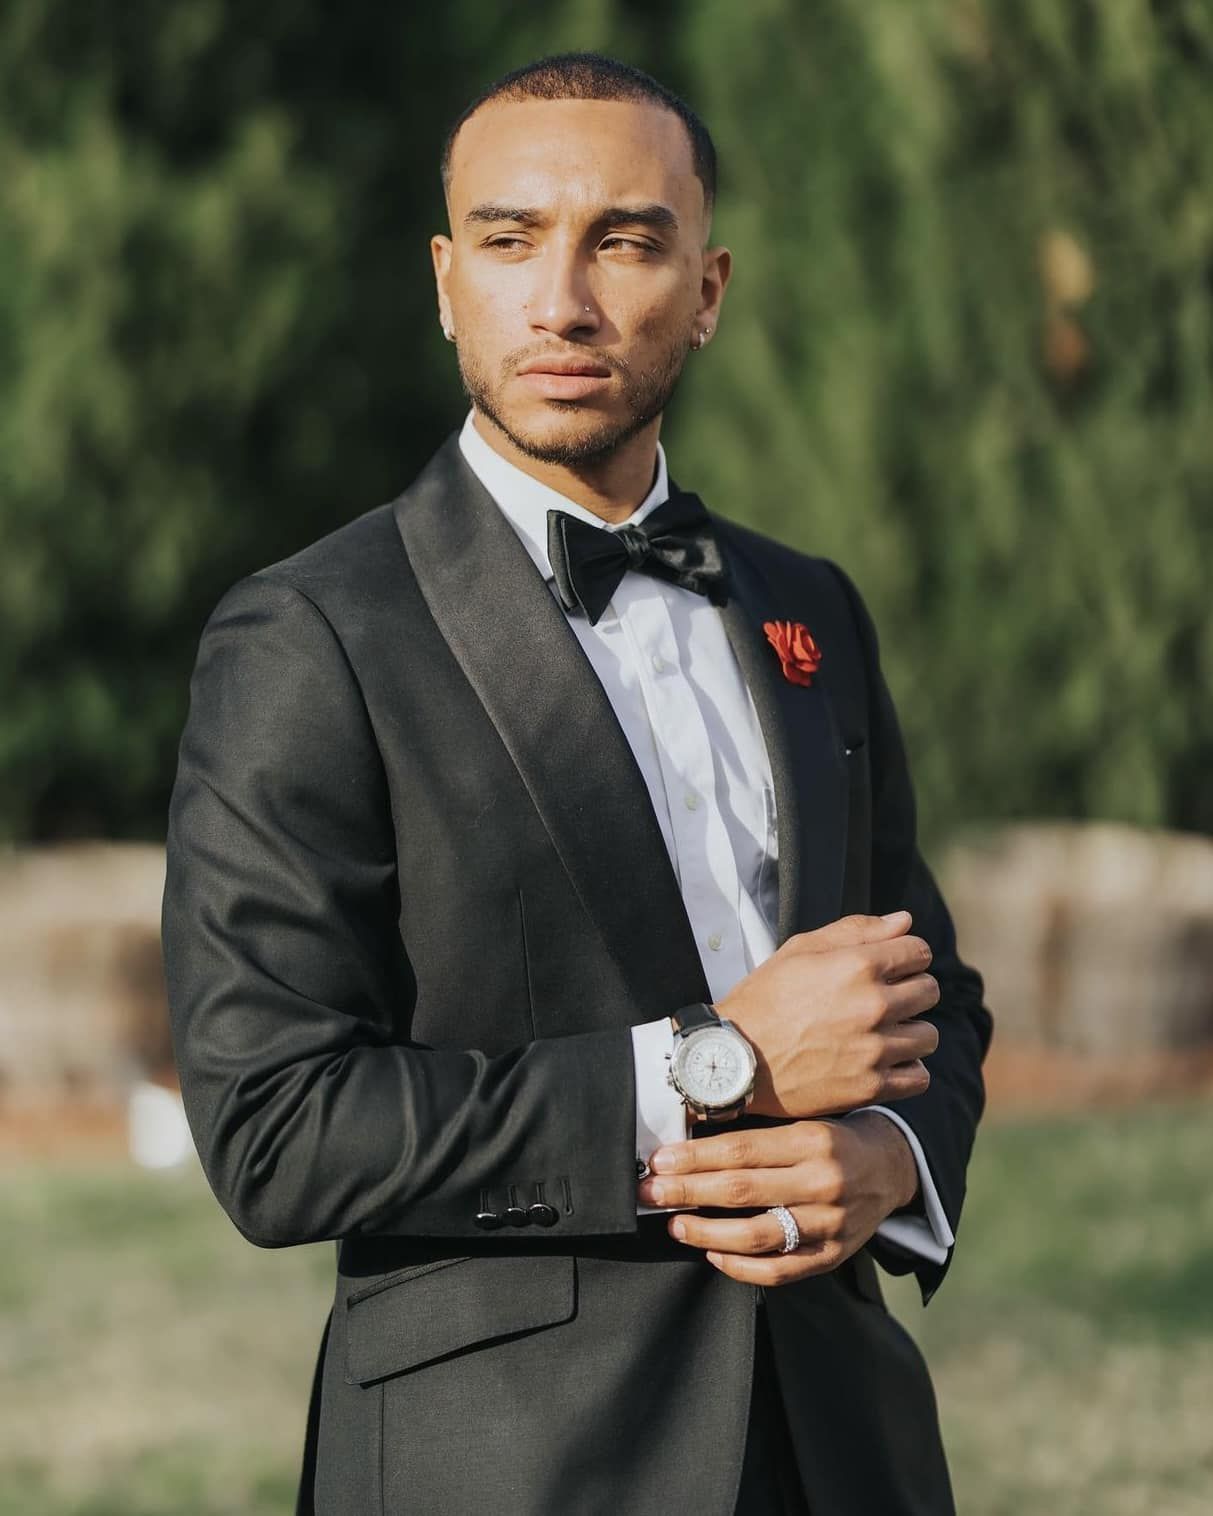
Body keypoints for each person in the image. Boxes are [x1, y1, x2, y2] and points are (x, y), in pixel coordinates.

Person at [161, 51, 992, 1516]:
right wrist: (710, 1069)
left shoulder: (812, 610)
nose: (562, 300)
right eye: (508, 238)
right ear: (442, 281)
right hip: (506, 1461)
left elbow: (921, 988)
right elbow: (276, 1129)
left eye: (623, 239)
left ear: (710, 287)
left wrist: (891, 1159)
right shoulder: (310, 635)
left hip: (841, 1444)